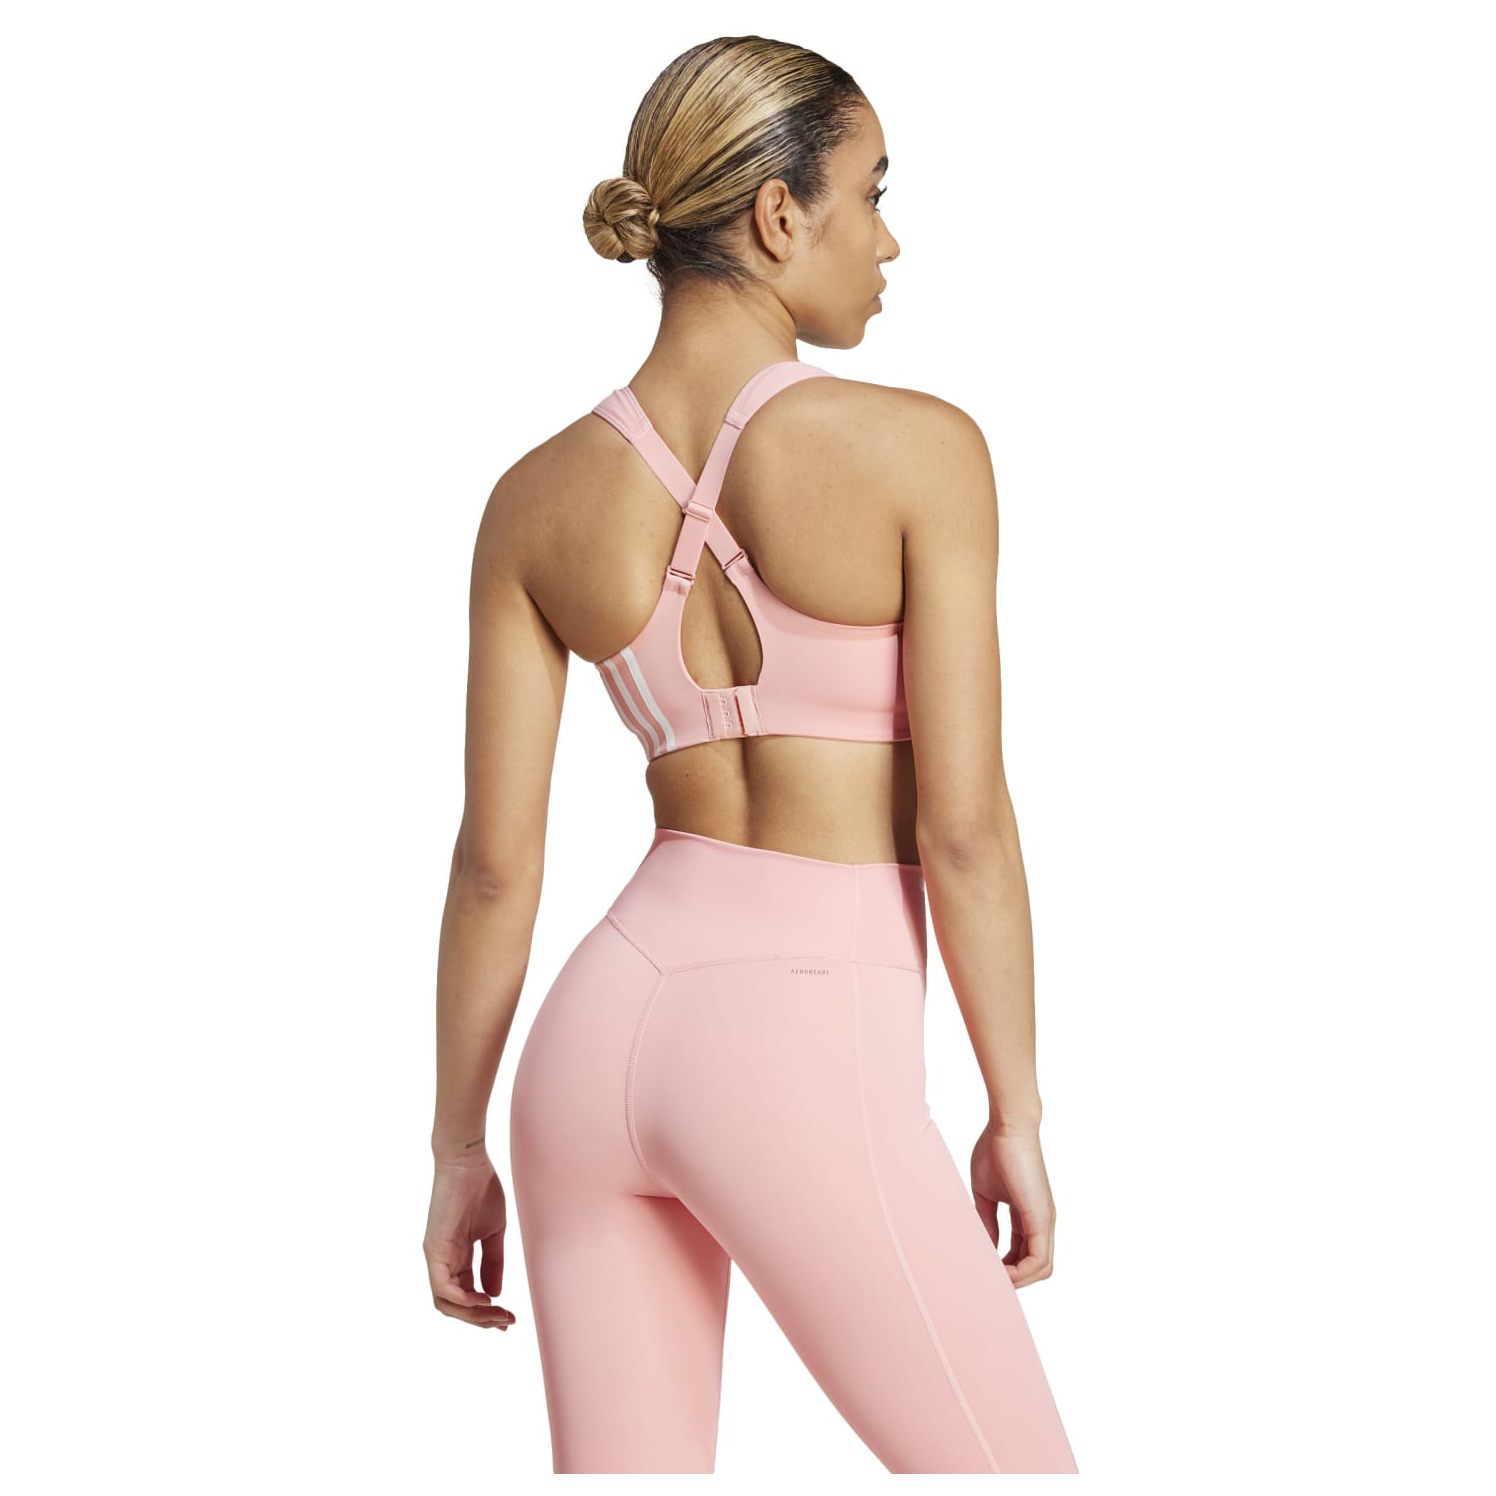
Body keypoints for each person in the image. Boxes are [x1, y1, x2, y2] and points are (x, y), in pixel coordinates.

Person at [423, 34, 1080, 1476]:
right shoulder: (921, 451)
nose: (889, 241)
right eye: (873, 192)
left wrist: (458, 1145)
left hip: (592, 1046)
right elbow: (965, 828)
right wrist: (1014, 1110)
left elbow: (493, 868)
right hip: (796, 1040)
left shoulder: (533, 499)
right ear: (781, 217)